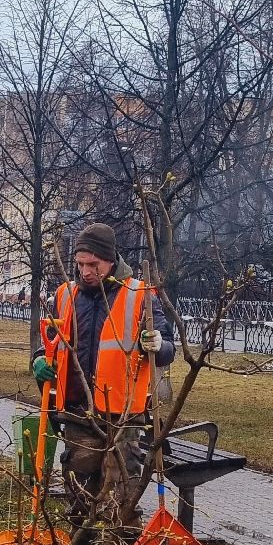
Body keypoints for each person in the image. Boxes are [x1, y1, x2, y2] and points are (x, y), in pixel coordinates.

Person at [31, 222, 174, 518]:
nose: (85, 271)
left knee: (121, 500)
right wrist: (39, 359)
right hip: (78, 413)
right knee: (80, 499)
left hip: (123, 416)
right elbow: (52, 344)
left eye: (93, 265)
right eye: (80, 264)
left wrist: (158, 345)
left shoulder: (140, 295)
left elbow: (167, 351)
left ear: (110, 260)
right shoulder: (65, 295)